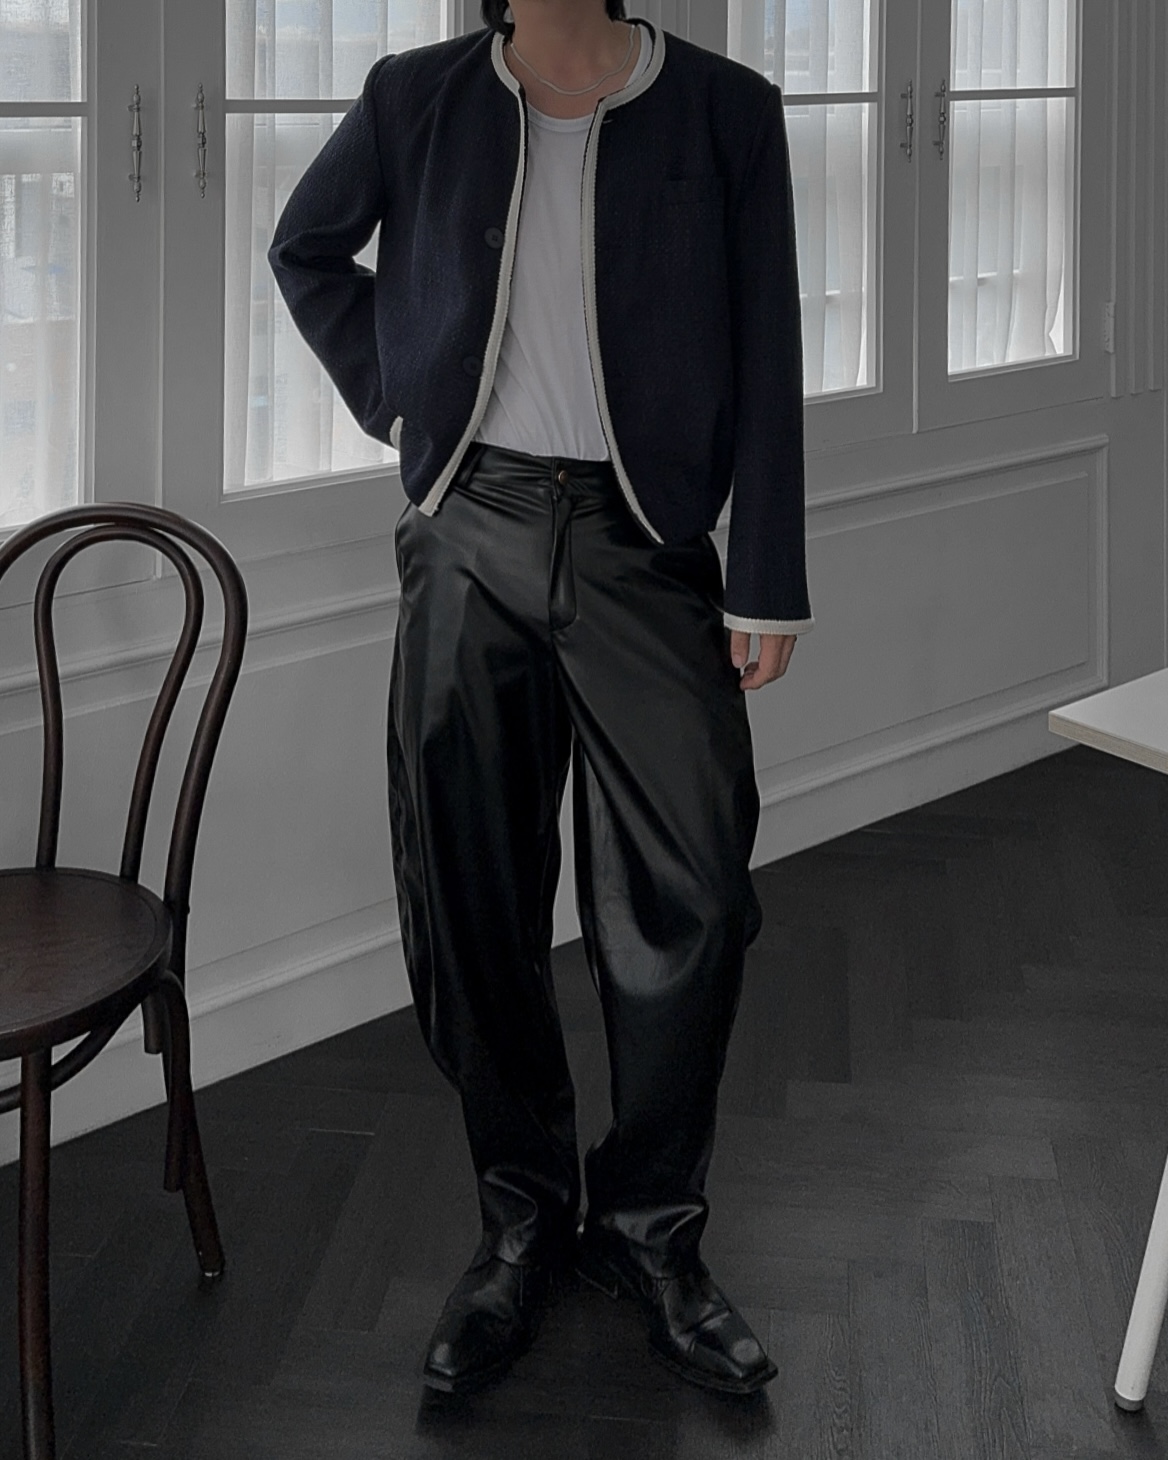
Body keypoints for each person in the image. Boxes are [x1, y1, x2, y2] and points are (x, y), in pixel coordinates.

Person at [269, 0, 813, 1400]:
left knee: (698, 896)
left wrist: (766, 581)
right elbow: (304, 248)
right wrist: (399, 391)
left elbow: (767, 345)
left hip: (650, 551)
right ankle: (518, 1226)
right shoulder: (414, 97)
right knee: (471, 901)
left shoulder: (728, 111)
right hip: (470, 537)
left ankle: (651, 1232)